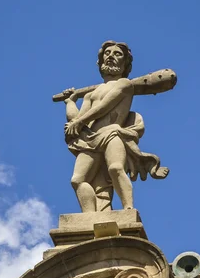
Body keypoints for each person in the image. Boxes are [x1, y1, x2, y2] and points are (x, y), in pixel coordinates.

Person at [63, 40, 169, 212]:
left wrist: (79, 122)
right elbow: (77, 119)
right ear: (101, 60)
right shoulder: (90, 94)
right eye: (107, 53)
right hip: (90, 138)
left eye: (117, 54)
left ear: (125, 63)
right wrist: (70, 101)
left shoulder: (125, 85)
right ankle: (91, 216)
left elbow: (104, 106)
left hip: (112, 133)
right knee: (77, 180)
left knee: (115, 168)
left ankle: (128, 208)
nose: (111, 56)